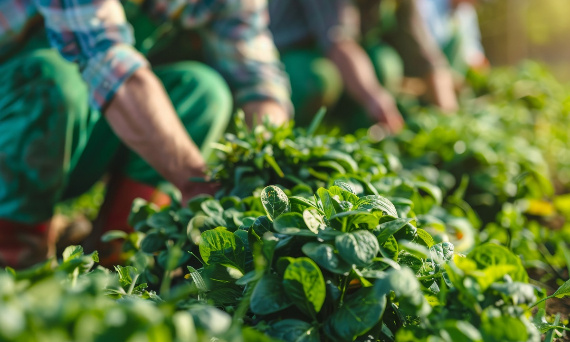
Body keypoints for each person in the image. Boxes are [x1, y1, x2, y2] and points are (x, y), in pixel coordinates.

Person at [0, 0, 292, 269]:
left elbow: (257, 77)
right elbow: (108, 62)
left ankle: (115, 255)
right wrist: (195, 181)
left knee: (202, 92)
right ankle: (15, 257)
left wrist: (267, 161)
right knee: (51, 81)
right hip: (21, 103)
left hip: (61, 130)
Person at [268, 0, 458, 133]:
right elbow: (339, 41)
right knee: (317, 80)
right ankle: (293, 137)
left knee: (385, 62)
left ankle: (357, 134)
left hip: (343, 54)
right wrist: (376, 99)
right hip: (292, 52)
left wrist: (449, 115)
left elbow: (422, 50)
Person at [417, 0, 488, 75]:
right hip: (426, 61)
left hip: (448, 67)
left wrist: (478, 60)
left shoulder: (468, 13)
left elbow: (472, 45)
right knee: (458, 39)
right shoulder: (428, 4)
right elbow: (426, 42)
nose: (477, 3)